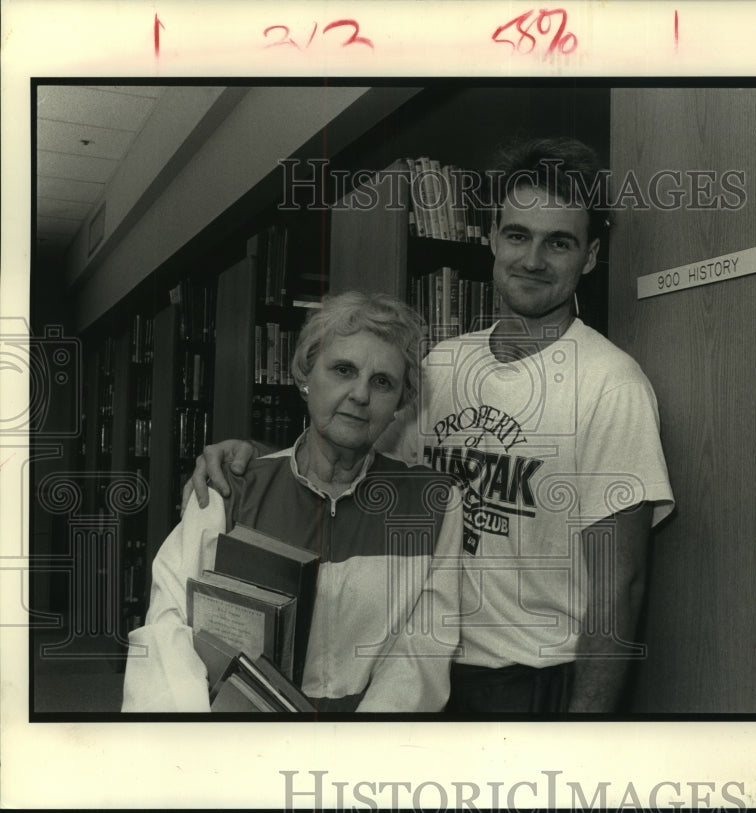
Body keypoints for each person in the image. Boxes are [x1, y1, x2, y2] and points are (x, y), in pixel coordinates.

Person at [189, 137, 674, 713]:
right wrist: (253, 457)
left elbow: (622, 590)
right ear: (493, 238)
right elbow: (351, 464)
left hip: (528, 680)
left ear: (589, 257)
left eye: (560, 243)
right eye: (517, 235)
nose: (533, 260)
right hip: (415, 661)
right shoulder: (443, 364)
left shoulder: (612, 387)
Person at [123, 291, 462, 713]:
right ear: (305, 374)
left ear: (400, 403)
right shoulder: (229, 489)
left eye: (382, 382)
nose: (360, 394)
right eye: (343, 370)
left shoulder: (434, 504)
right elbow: (166, 631)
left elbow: (422, 649)